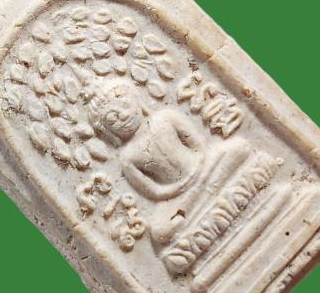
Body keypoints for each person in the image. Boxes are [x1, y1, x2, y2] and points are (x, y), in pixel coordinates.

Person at [88, 79, 250, 247]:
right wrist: (177, 189)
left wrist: (199, 168)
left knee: (240, 147)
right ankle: (214, 200)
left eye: (124, 105)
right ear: (110, 132)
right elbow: (153, 191)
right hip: (178, 196)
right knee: (159, 231)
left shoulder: (166, 117)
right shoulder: (128, 158)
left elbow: (199, 146)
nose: (123, 115)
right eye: (112, 119)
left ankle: (205, 209)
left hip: (204, 168)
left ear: (136, 99)